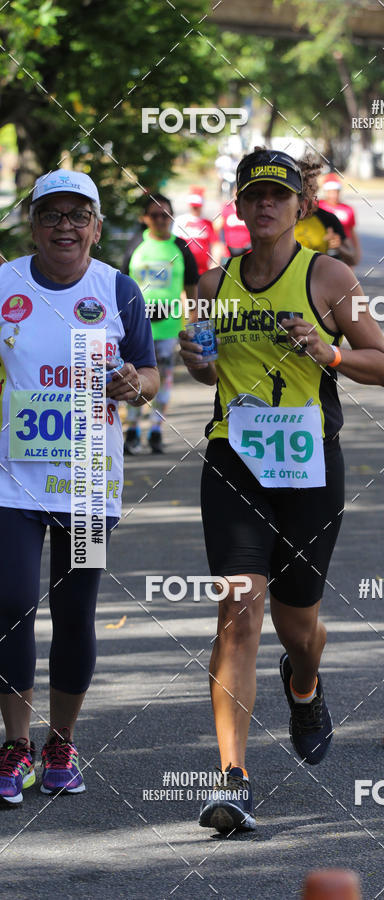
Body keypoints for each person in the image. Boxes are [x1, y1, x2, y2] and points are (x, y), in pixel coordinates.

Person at [179, 147, 384, 834]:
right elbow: (205, 372)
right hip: (234, 463)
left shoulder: (330, 277)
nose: (267, 205)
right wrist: (196, 359)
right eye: (255, 196)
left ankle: (304, 685)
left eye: (280, 195)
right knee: (239, 610)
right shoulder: (213, 287)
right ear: (238, 208)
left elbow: (383, 366)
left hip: (308, 470)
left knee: (298, 625)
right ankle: (231, 778)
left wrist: (328, 351)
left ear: (300, 207)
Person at [0, 170, 158, 805]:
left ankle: (60, 740)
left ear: (96, 226)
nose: (64, 225)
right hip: (12, 477)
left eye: (78, 215)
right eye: (51, 215)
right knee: (10, 605)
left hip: (90, 479)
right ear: (32, 225)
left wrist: (134, 385)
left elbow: (147, 373)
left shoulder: (118, 289)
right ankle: (14, 745)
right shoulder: (4, 283)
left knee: (75, 614)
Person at [122, 193, 198, 454]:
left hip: (168, 327)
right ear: (145, 219)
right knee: (131, 378)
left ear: (172, 217)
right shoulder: (135, 245)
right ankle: (131, 430)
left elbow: (192, 289)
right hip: (136, 328)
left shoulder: (182, 247)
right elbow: (121, 287)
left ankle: (155, 430)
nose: (160, 220)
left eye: (165, 214)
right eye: (154, 215)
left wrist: (193, 322)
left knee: (163, 380)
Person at [294, 192, 356, 266]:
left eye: (312, 189)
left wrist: (338, 247)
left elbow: (352, 258)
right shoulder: (286, 217)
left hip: (319, 273)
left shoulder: (328, 218)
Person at [172, 186, 224, 275]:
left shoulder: (207, 223)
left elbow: (215, 244)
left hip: (203, 269)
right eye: (193, 206)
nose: (195, 208)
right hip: (183, 267)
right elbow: (173, 243)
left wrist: (215, 263)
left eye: (197, 206)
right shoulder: (180, 221)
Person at [318, 172, 361, 265]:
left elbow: (352, 232)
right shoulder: (318, 206)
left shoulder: (348, 209)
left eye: (336, 191)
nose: (333, 195)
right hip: (324, 248)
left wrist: (357, 252)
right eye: (330, 191)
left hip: (344, 247)